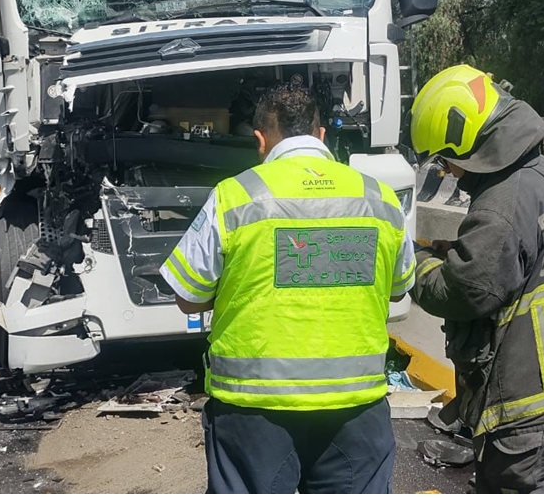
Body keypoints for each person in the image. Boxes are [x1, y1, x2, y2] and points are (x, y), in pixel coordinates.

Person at [159, 84, 416, 494]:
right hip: (356, 410)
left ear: (260, 140)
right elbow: (399, 289)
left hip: (253, 412)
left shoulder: (234, 197)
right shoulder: (379, 199)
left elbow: (188, 295)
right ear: (321, 136)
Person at [407, 65, 544, 494]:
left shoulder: (500, 205)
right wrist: (450, 251)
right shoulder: (543, 174)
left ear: (465, 141)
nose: (449, 172)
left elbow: (464, 290)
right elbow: (513, 260)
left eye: (445, 159)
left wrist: (414, 262)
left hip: (523, 397)